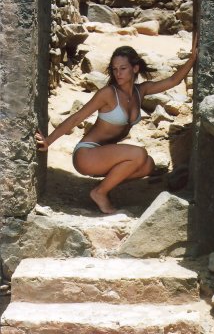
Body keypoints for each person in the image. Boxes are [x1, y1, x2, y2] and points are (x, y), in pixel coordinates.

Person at [36, 37, 198, 214]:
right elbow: (76, 118)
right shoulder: (107, 94)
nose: (118, 73)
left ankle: (105, 185)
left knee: (148, 165)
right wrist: (48, 141)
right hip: (87, 154)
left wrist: (192, 59)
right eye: (114, 69)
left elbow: (173, 81)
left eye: (123, 68)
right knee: (139, 154)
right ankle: (100, 192)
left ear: (135, 68)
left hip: (106, 155)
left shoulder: (141, 90)